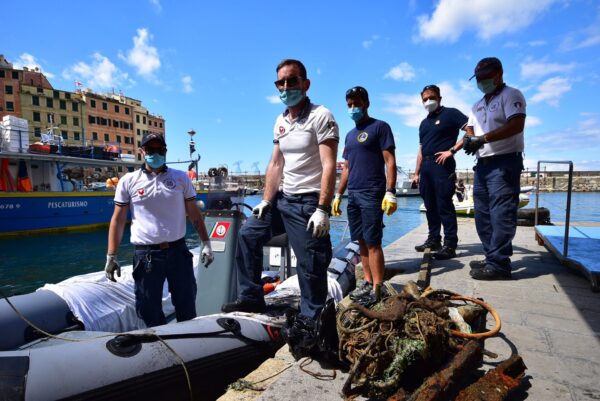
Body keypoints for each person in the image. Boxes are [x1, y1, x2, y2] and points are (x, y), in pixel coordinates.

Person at [221, 60, 339, 328]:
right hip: (282, 199)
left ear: (305, 84)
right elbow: (276, 163)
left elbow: (329, 163)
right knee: (248, 235)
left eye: (292, 81)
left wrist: (323, 208)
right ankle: (251, 296)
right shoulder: (280, 120)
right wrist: (265, 199)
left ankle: (313, 322)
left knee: (310, 265)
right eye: (280, 82)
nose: (286, 87)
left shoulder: (321, 115)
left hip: (309, 202)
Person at [105, 133, 215, 327]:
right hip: (146, 255)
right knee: (148, 308)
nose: (155, 153)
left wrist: (206, 244)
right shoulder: (128, 180)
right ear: (142, 152)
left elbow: (195, 214)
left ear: (165, 151)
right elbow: (118, 220)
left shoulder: (180, 178)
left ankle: (188, 342)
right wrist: (111, 256)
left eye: (159, 150)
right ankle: (162, 343)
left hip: (178, 252)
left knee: (186, 304)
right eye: (150, 150)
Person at [463, 57, 526, 280]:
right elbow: (469, 127)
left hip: (504, 162)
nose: (481, 81)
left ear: (498, 74)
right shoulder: (477, 104)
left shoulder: (511, 95)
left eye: (485, 77)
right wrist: (471, 139)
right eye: (478, 78)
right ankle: (492, 256)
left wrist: (483, 139)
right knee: (483, 215)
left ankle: (499, 264)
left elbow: (516, 124)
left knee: (501, 214)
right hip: (483, 165)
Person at [332, 86, 397, 301]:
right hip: (354, 195)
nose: (352, 108)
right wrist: (339, 195)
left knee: (372, 242)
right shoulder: (350, 136)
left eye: (356, 104)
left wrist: (390, 191)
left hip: (372, 192)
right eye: (349, 105)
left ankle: (378, 287)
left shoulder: (380, 127)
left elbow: (390, 161)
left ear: (366, 103)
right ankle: (367, 282)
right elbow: (347, 168)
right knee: (359, 241)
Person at [412, 85, 467, 260]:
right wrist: (416, 172)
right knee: (430, 206)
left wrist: (452, 150)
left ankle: (450, 244)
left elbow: (471, 131)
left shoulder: (451, 114)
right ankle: (434, 239)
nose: (428, 101)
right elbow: (420, 149)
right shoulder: (423, 123)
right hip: (426, 167)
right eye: (425, 99)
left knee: (444, 205)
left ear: (440, 98)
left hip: (442, 165)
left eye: (432, 97)